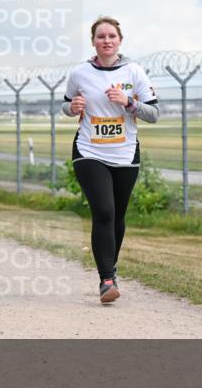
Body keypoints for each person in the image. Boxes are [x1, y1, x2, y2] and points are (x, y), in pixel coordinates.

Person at [62, 16, 159, 303]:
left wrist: (128, 102)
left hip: (125, 152)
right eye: (101, 36)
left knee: (117, 215)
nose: (106, 41)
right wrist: (72, 107)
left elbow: (154, 114)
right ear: (93, 41)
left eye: (111, 36)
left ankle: (109, 269)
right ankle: (106, 280)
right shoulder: (80, 73)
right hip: (89, 150)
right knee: (103, 210)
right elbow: (66, 105)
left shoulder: (134, 72)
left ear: (120, 41)